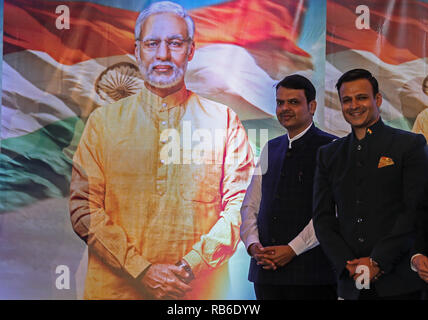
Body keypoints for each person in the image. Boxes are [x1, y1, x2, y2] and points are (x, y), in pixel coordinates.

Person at [69, 1, 254, 300]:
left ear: (191, 51)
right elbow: (84, 210)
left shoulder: (224, 121)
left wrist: (189, 267)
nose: (163, 55)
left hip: (197, 293)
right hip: (116, 292)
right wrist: (141, 269)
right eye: (153, 43)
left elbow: (242, 208)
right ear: (138, 49)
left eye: (175, 43)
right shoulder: (103, 124)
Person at [313, 68, 428, 300]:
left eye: (362, 97)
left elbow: (414, 210)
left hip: (400, 282)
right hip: (351, 281)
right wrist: (348, 264)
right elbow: (322, 218)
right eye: (347, 100)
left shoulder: (409, 145)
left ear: (377, 99)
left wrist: (378, 261)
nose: (354, 105)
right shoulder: (329, 154)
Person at [240, 74, 337, 300]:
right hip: (266, 273)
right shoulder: (270, 148)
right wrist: (253, 245)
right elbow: (250, 205)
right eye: (280, 102)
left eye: (293, 102)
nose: (285, 108)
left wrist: (293, 249)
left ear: (311, 106)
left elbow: (331, 212)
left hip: (312, 275)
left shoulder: (332, 148)